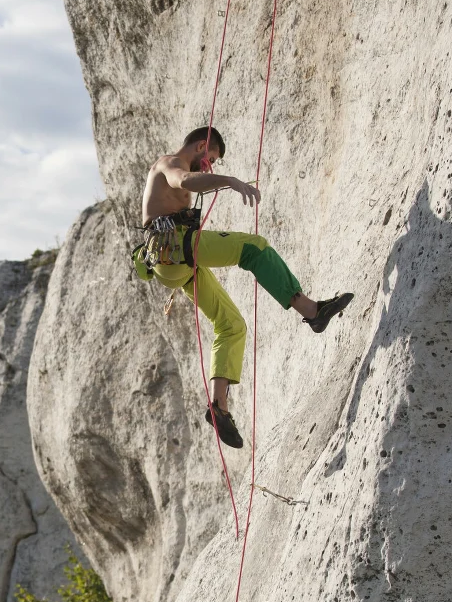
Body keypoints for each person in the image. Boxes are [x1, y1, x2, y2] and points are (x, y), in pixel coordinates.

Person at [132, 126, 353, 449]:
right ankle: (312, 311)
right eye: (210, 159)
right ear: (199, 145)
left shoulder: (178, 167)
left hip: (173, 262)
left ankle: (219, 407)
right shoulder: (168, 162)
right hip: (174, 248)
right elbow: (184, 180)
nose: (209, 166)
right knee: (254, 247)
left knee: (231, 325)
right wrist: (229, 181)